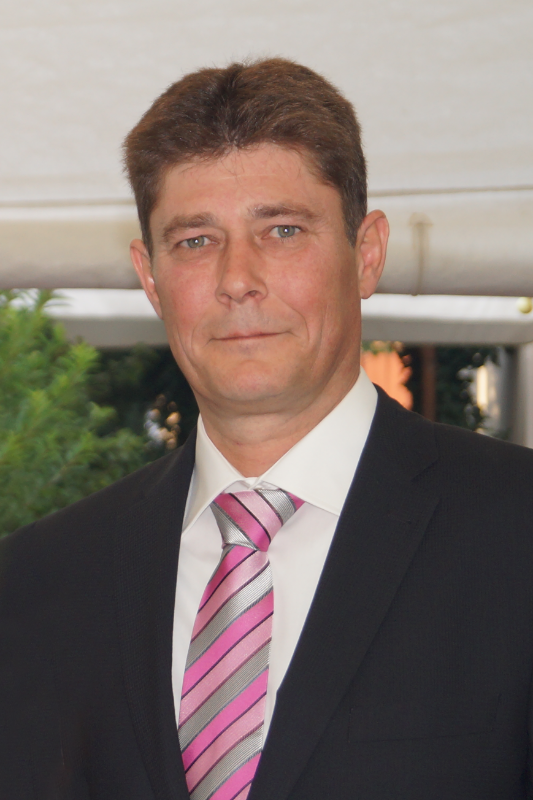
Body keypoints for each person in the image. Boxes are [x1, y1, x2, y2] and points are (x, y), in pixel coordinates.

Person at [1, 58, 533, 800]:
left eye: (282, 230)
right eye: (195, 240)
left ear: (367, 254)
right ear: (149, 277)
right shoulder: (36, 581)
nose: (237, 279)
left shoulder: (515, 532)